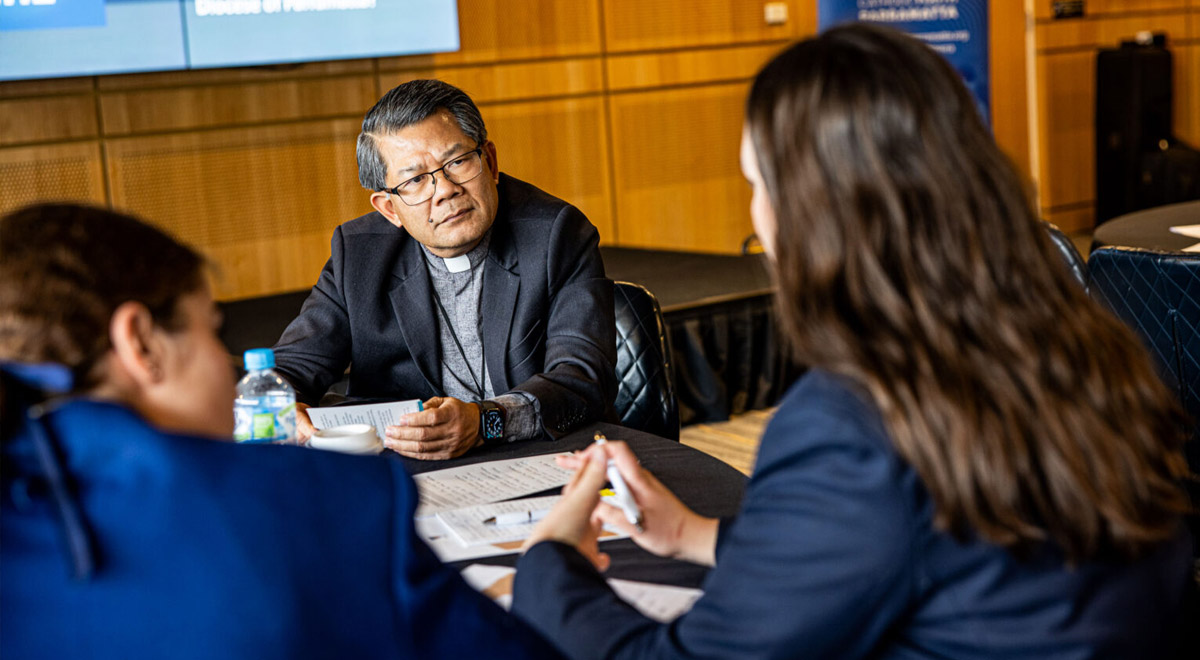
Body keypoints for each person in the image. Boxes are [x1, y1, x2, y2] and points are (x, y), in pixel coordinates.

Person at [510, 24, 1196, 659]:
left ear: (810, 212)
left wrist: (549, 565)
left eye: (756, 184)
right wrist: (695, 536)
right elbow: (927, 542)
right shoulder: (1081, 343)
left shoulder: (856, 416)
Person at [0, 203, 561, 660]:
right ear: (141, 343)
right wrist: (558, 571)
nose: (227, 369)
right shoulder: (326, 504)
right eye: (211, 335)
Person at [271, 79, 616, 460]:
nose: (445, 189)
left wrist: (485, 421)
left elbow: (582, 378)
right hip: (408, 472)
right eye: (416, 179)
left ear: (491, 162)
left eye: (457, 162)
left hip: (536, 457)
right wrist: (282, 408)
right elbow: (290, 367)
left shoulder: (556, 234)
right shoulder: (358, 253)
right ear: (389, 208)